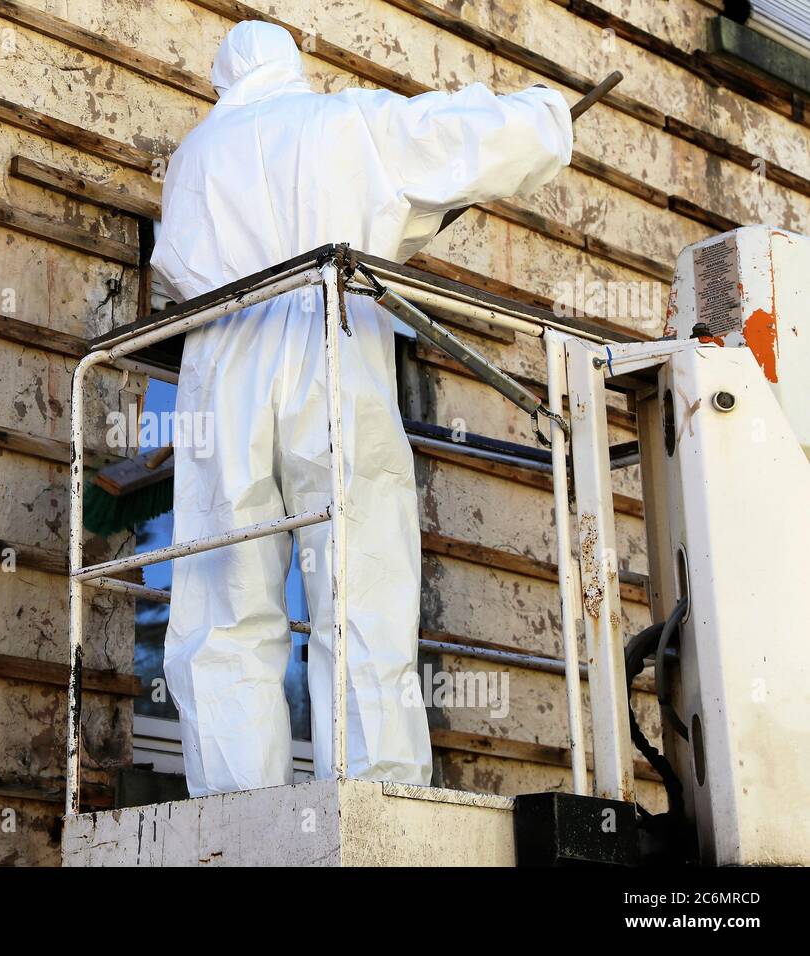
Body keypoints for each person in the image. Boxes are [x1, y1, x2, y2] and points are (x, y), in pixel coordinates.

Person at [151, 20, 573, 797]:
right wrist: (546, 113)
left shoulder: (193, 158)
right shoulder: (340, 122)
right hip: (326, 338)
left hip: (224, 359)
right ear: (291, 67)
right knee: (361, 574)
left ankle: (236, 801)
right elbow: (453, 134)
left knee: (225, 593)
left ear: (224, 80)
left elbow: (176, 267)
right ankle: (374, 788)